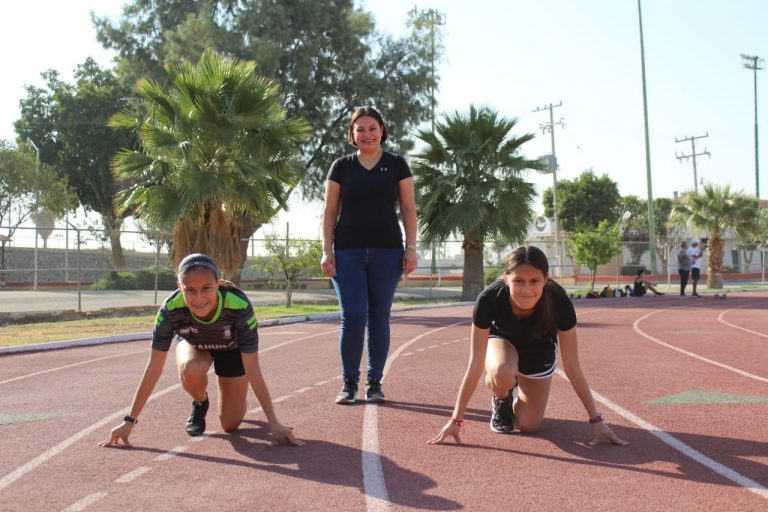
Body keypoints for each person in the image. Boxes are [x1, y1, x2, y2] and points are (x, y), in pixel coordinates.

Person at [428, 246, 627, 446]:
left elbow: (572, 366)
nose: (526, 290)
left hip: (539, 353)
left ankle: (515, 396)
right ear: (506, 278)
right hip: (502, 344)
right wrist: (456, 419)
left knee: (529, 426)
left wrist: (596, 420)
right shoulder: (488, 299)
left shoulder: (560, 302)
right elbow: (476, 362)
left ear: (546, 280)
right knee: (501, 372)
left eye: (534, 281)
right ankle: (501, 398)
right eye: (518, 281)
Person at [100, 253, 301, 447]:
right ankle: (199, 402)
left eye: (206, 288)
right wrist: (129, 421)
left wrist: (273, 421)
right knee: (190, 368)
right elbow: (153, 368)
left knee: (230, 425)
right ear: (179, 287)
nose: (198, 298)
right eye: (190, 290)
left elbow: (254, 369)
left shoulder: (239, 306)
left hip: (231, 350)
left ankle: (236, 395)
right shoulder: (170, 310)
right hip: (195, 345)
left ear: (218, 283)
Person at [321, 106, 418, 404]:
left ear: (382, 130)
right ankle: (349, 383)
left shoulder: (398, 165)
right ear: (352, 134)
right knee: (352, 317)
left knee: (379, 318)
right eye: (360, 129)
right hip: (347, 252)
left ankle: (375, 382)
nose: (367, 134)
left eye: (372, 128)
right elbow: (330, 210)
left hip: (387, 252)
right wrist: (327, 250)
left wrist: (411, 247)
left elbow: (409, 209)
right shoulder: (341, 166)